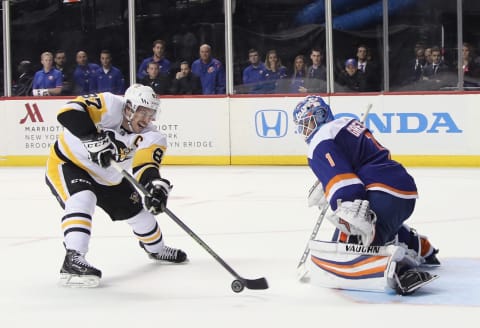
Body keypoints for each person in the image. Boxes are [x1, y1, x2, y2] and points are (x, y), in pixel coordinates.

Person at [292, 95, 440, 295]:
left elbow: (346, 186)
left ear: (320, 115)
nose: (305, 131)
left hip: (382, 192)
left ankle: (401, 269)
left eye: (307, 123)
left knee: (350, 242)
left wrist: (338, 197)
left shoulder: (320, 138)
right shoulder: (346, 123)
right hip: (403, 190)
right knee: (378, 226)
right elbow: (355, 161)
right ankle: (419, 245)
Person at [45, 84, 187, 288]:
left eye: (151, 113)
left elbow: (146, 165)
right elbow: (67, 113)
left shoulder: (153, 136)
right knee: (83, 198)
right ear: (129, 108)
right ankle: (73, 259)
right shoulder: (110, 104)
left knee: (142, 217)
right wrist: (92, 138)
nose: (147, 119)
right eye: (143, 112)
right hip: (70, 164)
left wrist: (154, 187)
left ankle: (156, 249)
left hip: (109, 176)